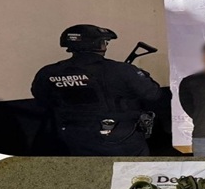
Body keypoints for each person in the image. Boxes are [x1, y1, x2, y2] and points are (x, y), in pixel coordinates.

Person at [31, 25, 169, 156]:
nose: (106, 45)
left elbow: (42, 100)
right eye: (104, 42)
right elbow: (153, 94)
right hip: (119, 136)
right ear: (96, 44)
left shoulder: (48, 72)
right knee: (132, 170)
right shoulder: (121, 70)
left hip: (74, 136)